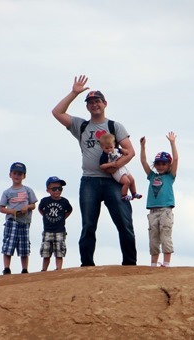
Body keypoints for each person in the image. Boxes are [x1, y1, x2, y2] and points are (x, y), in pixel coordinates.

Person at [51, 75, 137, 267]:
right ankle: (87, 265)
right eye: (90, 102)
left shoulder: (114, 126)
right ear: (87, 107)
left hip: (113, 181)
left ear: (104, 103)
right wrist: (74, 93)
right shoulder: (81, 125)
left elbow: (130, 152)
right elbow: (56, 112)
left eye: (97, 101)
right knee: (89, 225)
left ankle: (130, 265)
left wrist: (115, 165)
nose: (94, 105)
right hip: (89, 180)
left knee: (124, 222)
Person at [140, 132, 179, 268]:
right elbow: (143, 162)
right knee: (153, 237)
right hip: (153, 211)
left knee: (165, 235)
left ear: (169, 165)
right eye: (158, 163)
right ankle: (153, 265)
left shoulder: (170, 177)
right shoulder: (152, 176)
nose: (161, 166)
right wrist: (143, 147)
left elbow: (176, 160)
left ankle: (167, 264)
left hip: (165, 210)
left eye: (164, 163)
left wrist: (172, 143)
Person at [0, 162, 38, 275]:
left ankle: (24, 269)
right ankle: (6, 268)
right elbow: (1, 208)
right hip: (12, 221)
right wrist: (12, 211)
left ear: (24, 176)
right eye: (15, 173)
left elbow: (34, 205)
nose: (17, 176)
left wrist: (27, 207)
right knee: (9, 244)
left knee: (24, 246)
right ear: (10, 174)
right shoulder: (7, 192)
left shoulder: (28, 190)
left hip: (25, 221)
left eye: (20, 174)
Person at [38, 176, 73, 271]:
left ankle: (58, 269)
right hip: (47, 231)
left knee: (59, 253)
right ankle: (44, 270)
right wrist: (44, 216)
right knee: (46, 253)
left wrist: (63, 217)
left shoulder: (64, 201)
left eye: (60, 188)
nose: (57, 191)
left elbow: (70, 210)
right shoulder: (45, 201)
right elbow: (40, 208)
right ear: (48, 190)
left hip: (60, 231)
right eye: (54, 189)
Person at [99, 133, 143, 201]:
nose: (109, 150)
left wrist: (125, 151)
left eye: (111, 147)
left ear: (114, 145)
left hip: (123, 168)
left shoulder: (116, 150)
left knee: (132, 180)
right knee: (127, 182)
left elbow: (122, 151)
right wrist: (111, 164)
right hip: (116, 171)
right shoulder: (104, 155)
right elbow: (101, 166)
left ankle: (134, 193)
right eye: (106, 148)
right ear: (102, 147)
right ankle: (124, 195)